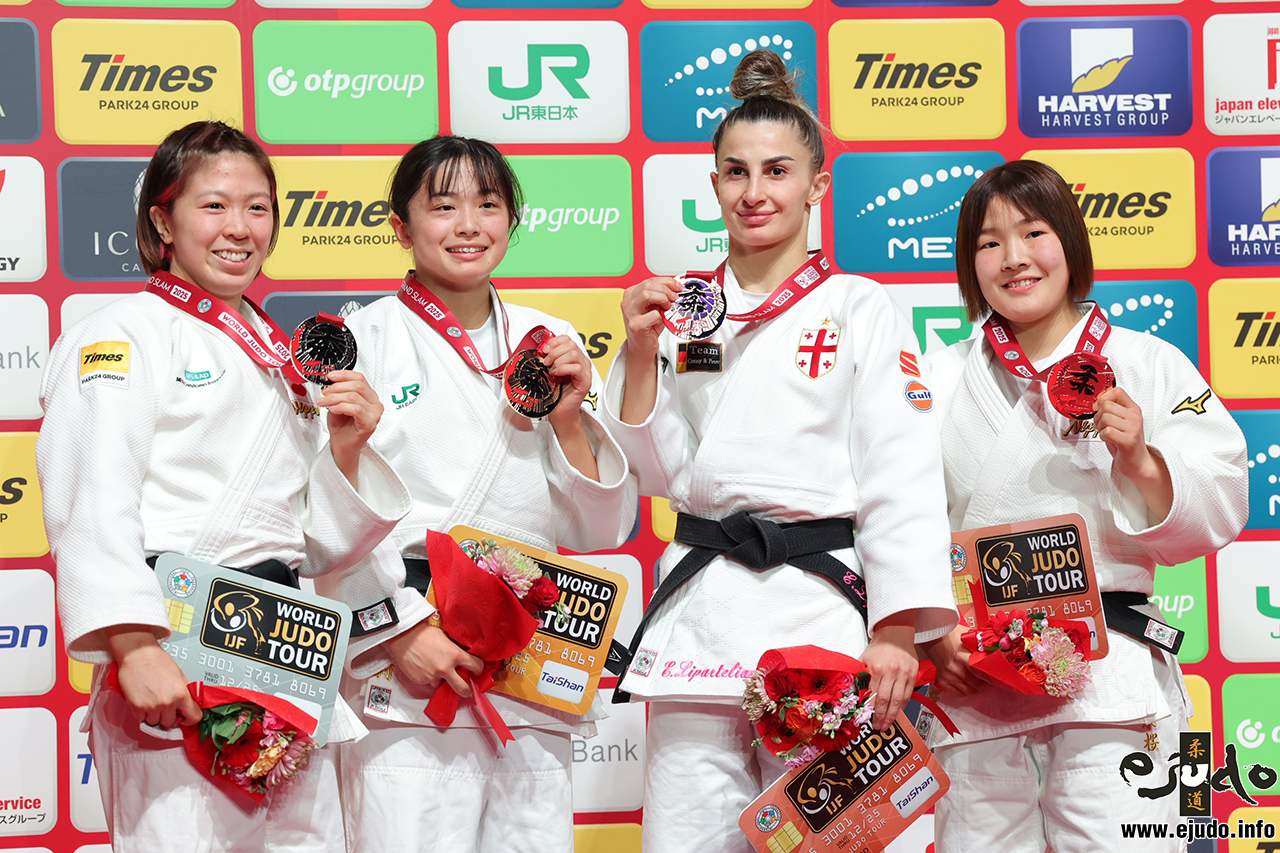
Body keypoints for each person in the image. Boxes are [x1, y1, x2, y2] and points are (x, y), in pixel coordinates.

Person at [600, 50, 957, 853]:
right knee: (686, 836)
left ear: (816, 186)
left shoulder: (860, 306)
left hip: (821, 607)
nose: (754, 192)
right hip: (704, 610)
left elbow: (902, 469)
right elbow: (658, 475)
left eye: (776, 171)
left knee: (840, 838)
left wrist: (898, 626)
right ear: (714, 183)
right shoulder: (688, 308)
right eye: (735, 172)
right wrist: (635, 349)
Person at [37, 120, 411, 852]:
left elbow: (318, 540)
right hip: (177, 647)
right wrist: (131, 640)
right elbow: (92, 495)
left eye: (258, 207)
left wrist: (345, 451)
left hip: (286, 649)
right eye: (213, 206)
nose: (239, 228)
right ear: (161, 220)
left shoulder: (282, 355)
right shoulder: (118, 333)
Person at [312, 135, 637, 853]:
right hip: (410, 668)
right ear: (400, 227)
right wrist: (398, 631)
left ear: (512, 221)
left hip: (530, 665)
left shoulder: (549, 343)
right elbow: (325, 519)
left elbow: (600, 524)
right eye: (444, 205)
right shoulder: (359, 343)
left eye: (488, 205)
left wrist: (571, 415)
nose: (468, 224)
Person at [921, 159, 1249, 853]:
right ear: (967, 263)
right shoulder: (936, 376)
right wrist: (926, 629)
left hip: (1111, 673)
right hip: (975, 678)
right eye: (988, 242)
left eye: (1033, 232)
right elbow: (893, 516)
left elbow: (1222, 496)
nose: (1013, 258)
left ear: (1069, 239)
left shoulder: (1146, 362)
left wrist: (1142, 461)